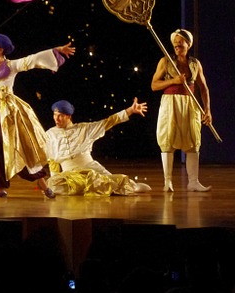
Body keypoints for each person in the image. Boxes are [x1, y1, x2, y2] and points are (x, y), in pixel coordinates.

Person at [0, 33, 75, 198]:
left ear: (1, 49)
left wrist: (55, 51)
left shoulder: (11, 66)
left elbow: (31, 60)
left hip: (9, 112)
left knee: (22, 147)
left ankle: (44, 186)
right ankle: (0, 187)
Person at [44, 97, 152, 195]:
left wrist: (130, 110)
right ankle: (94, 186)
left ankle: (127, 185)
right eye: (55, 115)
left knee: (111, 181)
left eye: (61, 116)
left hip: (90, 168)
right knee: (52, 184)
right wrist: (55, 179)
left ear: (69, 116)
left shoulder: (84, 129)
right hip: (69, 174)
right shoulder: (49, 134)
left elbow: (108, 122)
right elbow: (52, 161)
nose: (56, 119)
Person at [150, 28, 212, 192]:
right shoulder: (165, 61)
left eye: (180, 41)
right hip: (170, 104)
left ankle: (193, 182)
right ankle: (168, 182)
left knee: (193, 140)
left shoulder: (195, 64)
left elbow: (203, 88)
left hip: (190, 104)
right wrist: (174, 81)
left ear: (188, 44)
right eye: (175, 42)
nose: (177, 44)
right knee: (167, 139)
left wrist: (207, 110)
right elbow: (154, 85)